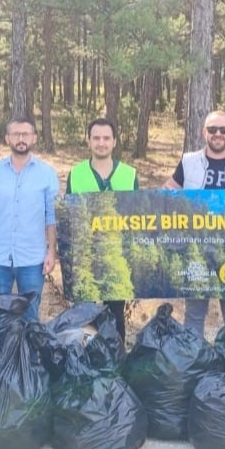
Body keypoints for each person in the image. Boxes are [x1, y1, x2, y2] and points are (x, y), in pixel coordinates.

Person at [164, 110, 225, 337]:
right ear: (203, 132)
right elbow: (168, 190)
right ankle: (193, 362)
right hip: (196, 249)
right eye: (212, 129)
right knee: (195, 314)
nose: (218, 134)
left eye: (223, 130)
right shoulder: (188, 161)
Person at [0, 117, 60, 322]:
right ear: (7, 139)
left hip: (32, 259)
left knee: (30, 317)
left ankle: (28, 354)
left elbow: (51, 217)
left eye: (25, 134)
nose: (20, 139)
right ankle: (2, 354)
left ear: (34, 138)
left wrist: (51, 252)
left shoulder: (47, 174)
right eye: (15, 134)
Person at [66, 117, 139, 340]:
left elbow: (137, 219)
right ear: (88, 141)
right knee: (83, 315)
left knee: (115, 316)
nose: (101, 143)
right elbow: (69, 218)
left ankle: (115, 362)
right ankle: (84, 363)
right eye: (96, 138)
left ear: (114, 142)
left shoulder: (130, 174)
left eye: (106, 138)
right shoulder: (76, 173)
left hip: (116, 259)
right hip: (85, 259)